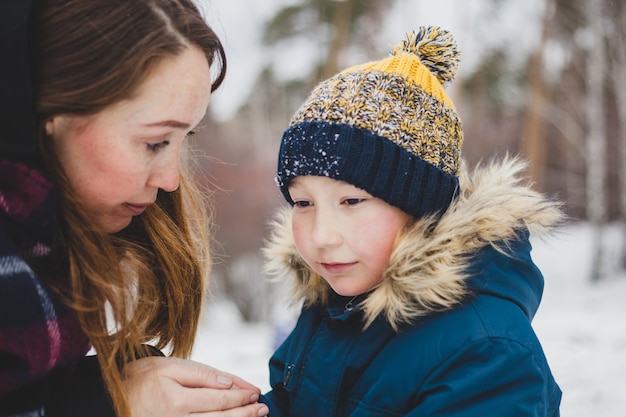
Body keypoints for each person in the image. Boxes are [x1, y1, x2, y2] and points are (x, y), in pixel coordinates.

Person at [260, 26, 563, 416]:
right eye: (303, 203)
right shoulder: (334, 305)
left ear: (422, 208)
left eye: (352, 200)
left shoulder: (487, 353)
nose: (321, 236)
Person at [0, 1, 270, 417]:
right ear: (53, 112)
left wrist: (105, 393)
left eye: (185, 139)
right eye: (155, 142)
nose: (171, 181)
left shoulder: (44, 252)